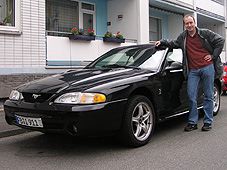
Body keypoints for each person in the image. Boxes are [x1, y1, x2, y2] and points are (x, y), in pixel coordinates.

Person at [155, 14, 225, 132]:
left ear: (194, 23)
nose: (189, 25)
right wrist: (162, 41)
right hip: (193, 70)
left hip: (207, 68)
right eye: (186, 23)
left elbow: (220, 40)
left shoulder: (204, 33)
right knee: (191, 96)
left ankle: (208, 122)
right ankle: (193, 122)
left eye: (190, 23)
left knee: (208, 95)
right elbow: (173, 43)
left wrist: (213, 56)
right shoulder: (183, 37)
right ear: (184, 25)